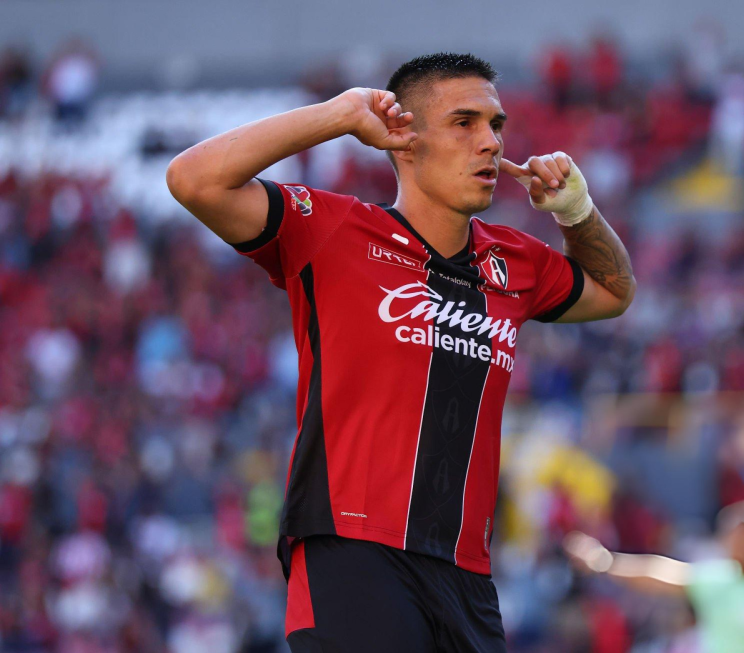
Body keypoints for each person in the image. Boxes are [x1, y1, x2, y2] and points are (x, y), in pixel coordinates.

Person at [165, 52, 635, 652]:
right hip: (353, 551)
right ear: (405, 139)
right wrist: (337, 115)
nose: (490, 142)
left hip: (466, 573)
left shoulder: (516, 261)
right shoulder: (332, 230)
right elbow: (192, 179)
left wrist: (575, 211)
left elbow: (615, 292)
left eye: (496, 125)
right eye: (464, 123)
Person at [564, 499, 744, 653]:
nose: (734, 544)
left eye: (743, 537)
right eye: (732, 536)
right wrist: (605, 561)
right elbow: (656, 573)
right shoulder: (717, 578)